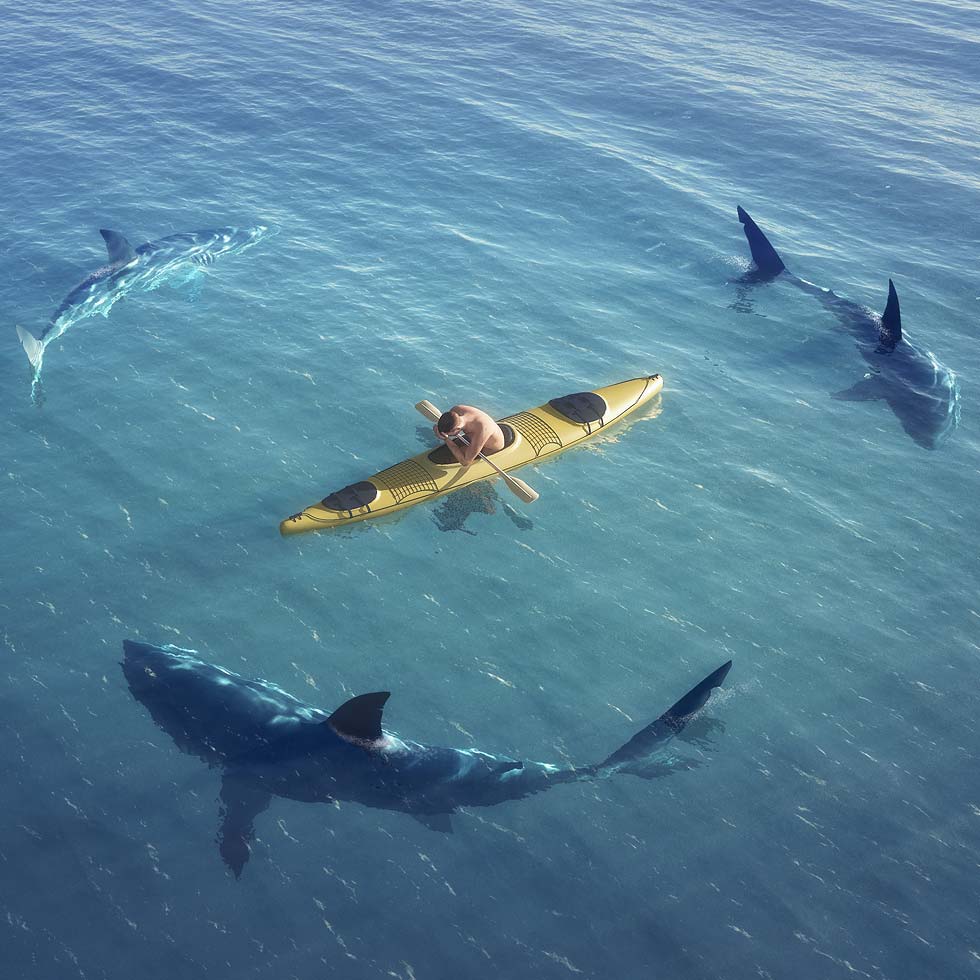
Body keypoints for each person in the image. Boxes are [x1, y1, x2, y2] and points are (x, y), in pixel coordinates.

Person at [434, 404, 505, 465]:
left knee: (453, 458)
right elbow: (446, 423)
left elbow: (465, 462)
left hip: (491, 448)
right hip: (476, 439)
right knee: (453, 451)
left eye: (449, 434)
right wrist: (438, 428)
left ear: (457, 429)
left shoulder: (481, 430)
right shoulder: (456, 409)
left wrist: (446, 439)